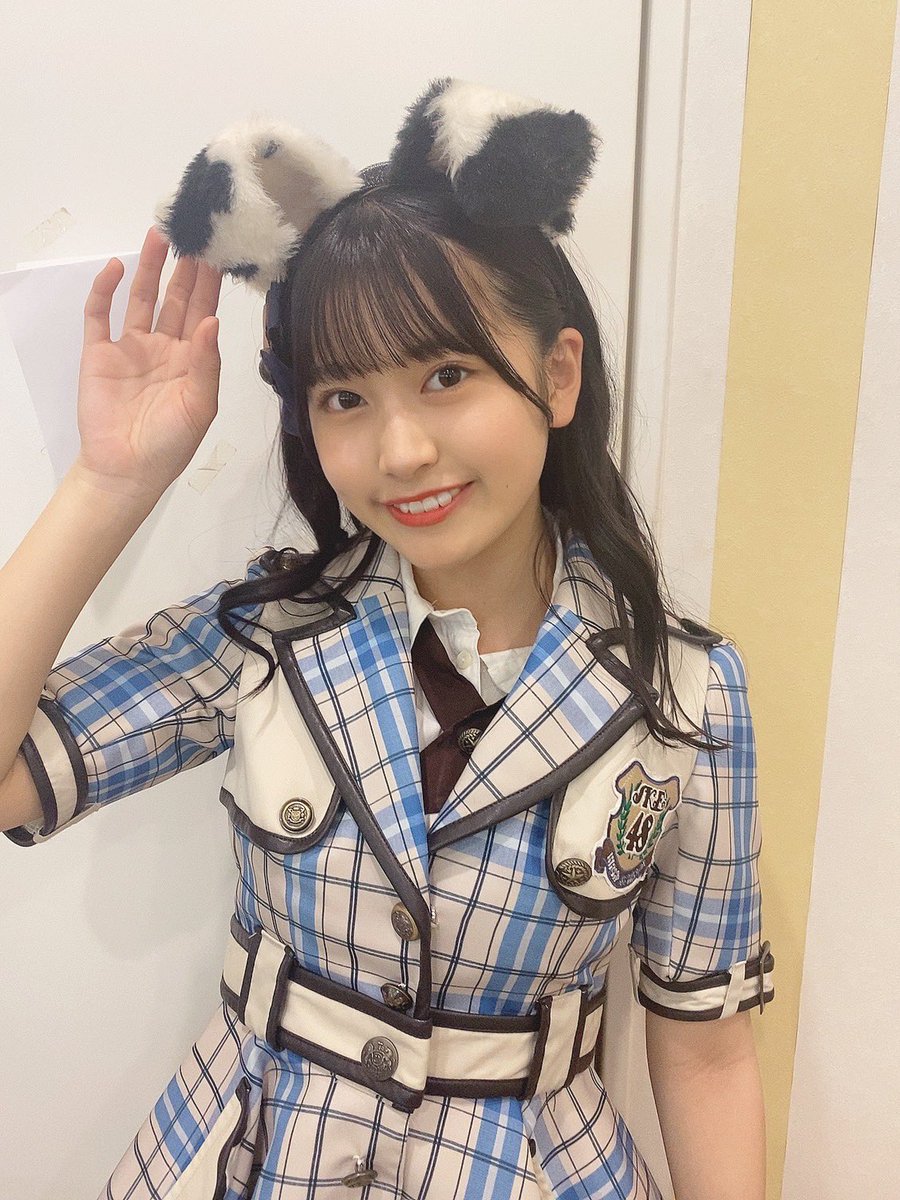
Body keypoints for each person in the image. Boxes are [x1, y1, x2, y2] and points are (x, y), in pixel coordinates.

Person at [0, 77, 774, 1199]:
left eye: (447, 375)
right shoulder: (269, 633)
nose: (402, 450)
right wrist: (110, 482)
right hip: (249, 1154)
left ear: (558, 375)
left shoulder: (687, 695)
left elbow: (706, 1054)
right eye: (345, 398)